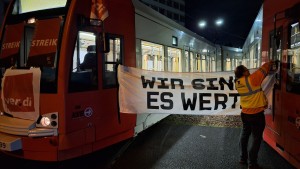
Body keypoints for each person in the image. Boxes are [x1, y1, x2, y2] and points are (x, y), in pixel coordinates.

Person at [234, 61, 274, 169]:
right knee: (256, 138)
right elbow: (264, 69)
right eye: (247, 70)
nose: (249, 71)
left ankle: (243, 158)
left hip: (245, 113)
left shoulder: (237, 82)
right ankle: (252, 163)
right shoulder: (252, 79)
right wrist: (271, 61)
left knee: (244, 135)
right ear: (243, 72)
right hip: (256, 114)